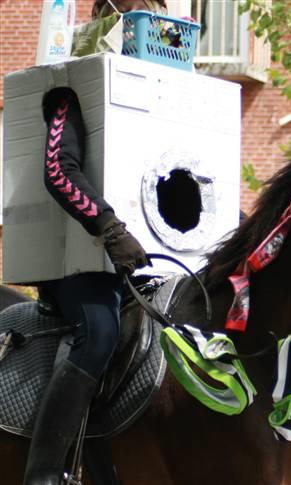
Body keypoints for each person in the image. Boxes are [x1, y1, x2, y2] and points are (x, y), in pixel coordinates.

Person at [23, 1, 166, 483]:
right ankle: (43, 473)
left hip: (153, 266)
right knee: (100, 333)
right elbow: (58, 172)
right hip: (80, 266)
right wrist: (111, 229)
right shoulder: (73, 86)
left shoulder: (166, 97)